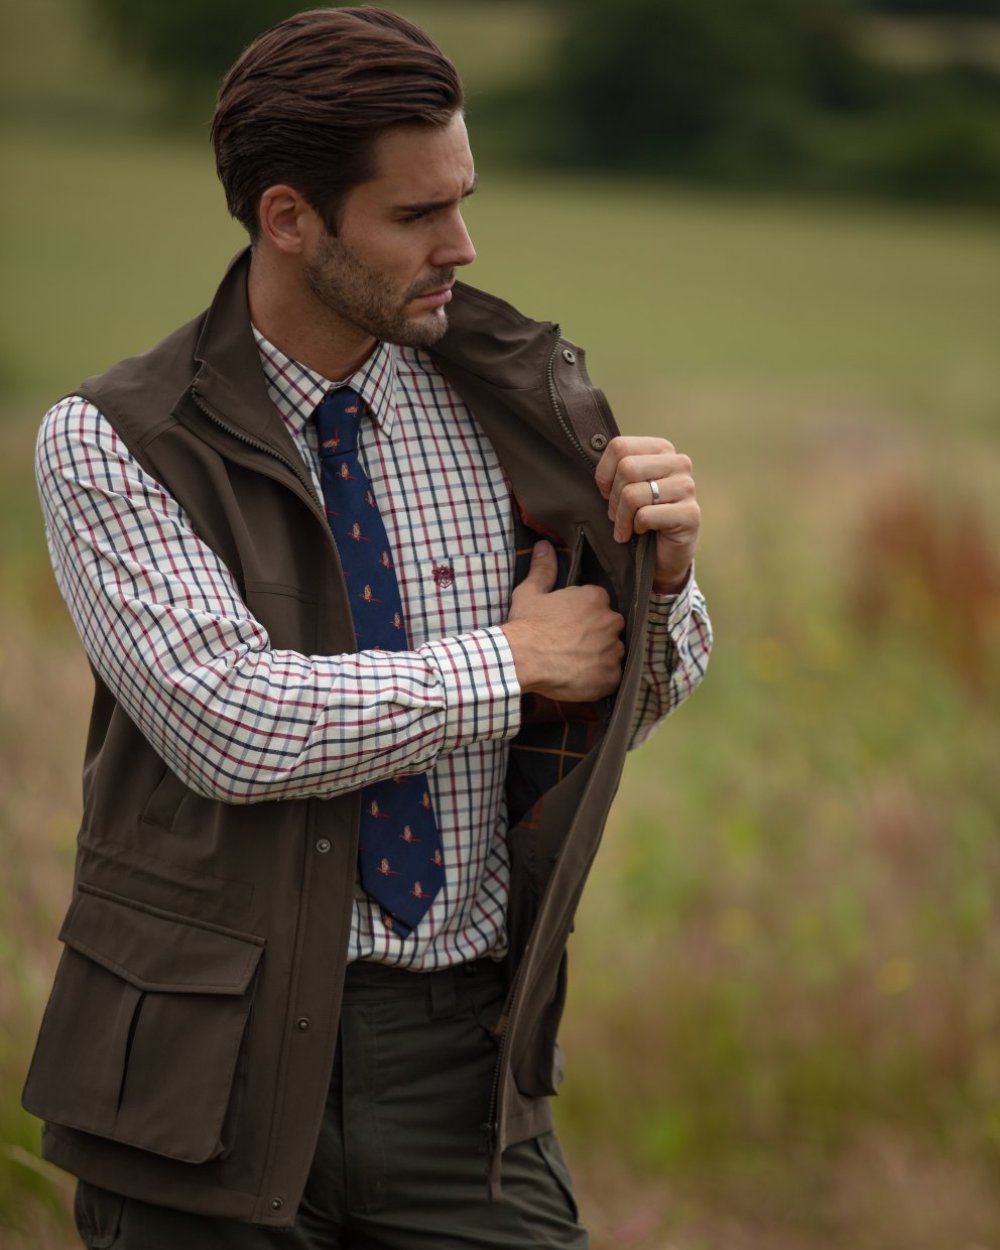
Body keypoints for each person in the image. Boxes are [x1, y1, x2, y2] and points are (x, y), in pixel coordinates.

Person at [24, 7, 711, 1248]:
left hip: (462, 1060)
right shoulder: (114, 437)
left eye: (462, 197)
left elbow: (621, 695)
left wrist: (665, 581)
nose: (462, 243)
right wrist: (509, 662)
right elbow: (233, 724)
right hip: (197, 1068)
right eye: (414, 215)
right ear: (291, 219)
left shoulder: (520, 395)